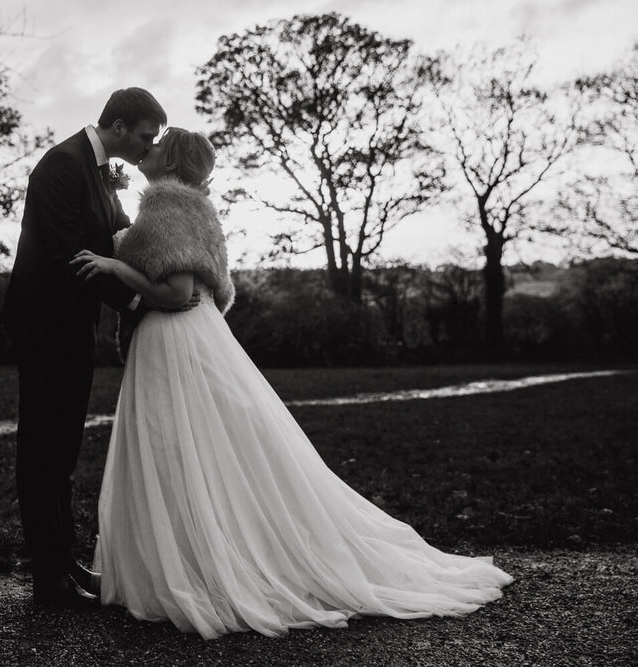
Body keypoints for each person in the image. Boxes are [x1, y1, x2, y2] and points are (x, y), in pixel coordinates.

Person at [70, 128, 513, 639]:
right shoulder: (186, 206)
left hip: (176, 341)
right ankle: (192, 560)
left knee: (181, 448)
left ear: (169, 161)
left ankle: (198, 566)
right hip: (191, 337)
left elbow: (175, 292)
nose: (147, 147)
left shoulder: (167, 205)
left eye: (156, 143)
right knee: (199, 449)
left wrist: (112, 266)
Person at [0, 88, 167, 608]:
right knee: (41, 448)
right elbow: (72, 253)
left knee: (64, 446)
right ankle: (46, 576)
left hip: (72, 328)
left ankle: (61, 558)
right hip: (45, 325)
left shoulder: (97, 171)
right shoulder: (61, 166)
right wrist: (137, 300)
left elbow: (119, 235)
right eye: (146, 136)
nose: (149, 146)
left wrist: (172, 245)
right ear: (118, 125)